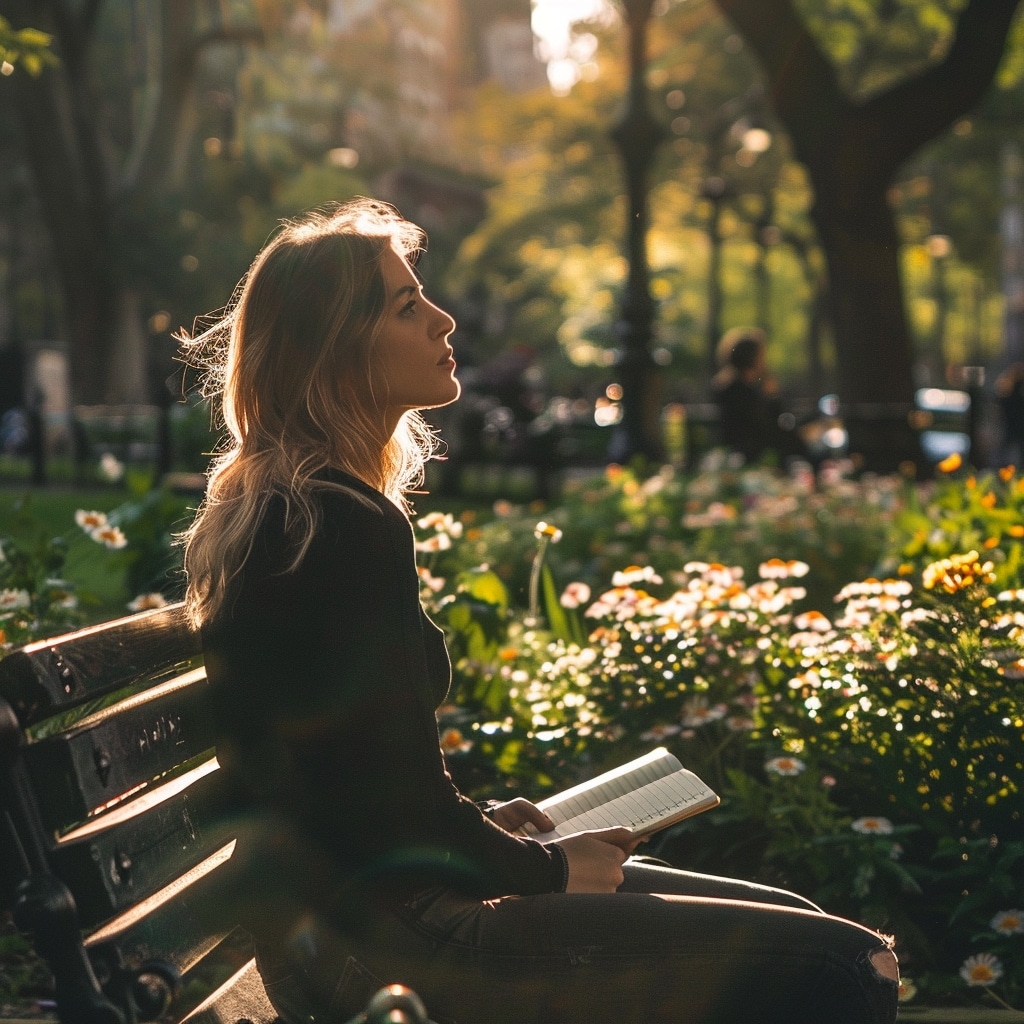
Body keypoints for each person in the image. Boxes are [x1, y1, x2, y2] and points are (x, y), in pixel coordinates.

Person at [179, 198, 899, 1024]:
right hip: (399, 948)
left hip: (360, 927)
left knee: (813, 933)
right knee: (849, 967)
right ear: (334, 351)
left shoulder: (303, 511)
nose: (444, 321)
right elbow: (383, 809)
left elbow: (357, 780)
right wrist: (544, 872)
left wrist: (504, 838)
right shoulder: (337, 525)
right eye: (408, 306)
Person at [712, 327, 805, 466]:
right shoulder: (740, 390)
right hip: (751, 457)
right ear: (751, 357)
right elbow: (766, 427)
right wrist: (773, 397)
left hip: (748, 452)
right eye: (761, 355)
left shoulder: (731, 386)